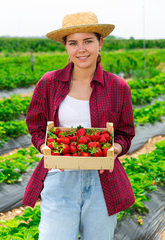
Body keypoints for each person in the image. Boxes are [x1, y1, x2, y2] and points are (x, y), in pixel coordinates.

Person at [23, 11, 135, 239]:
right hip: (59, 177)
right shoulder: (49, 82)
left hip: (103, 181)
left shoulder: (118, 87)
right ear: (65, 46)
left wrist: (115, 149)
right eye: (73, 42)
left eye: (88, 41)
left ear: (100, 42)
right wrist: (45, 147)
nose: (81, 49)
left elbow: (125, 134)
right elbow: (36, 126)